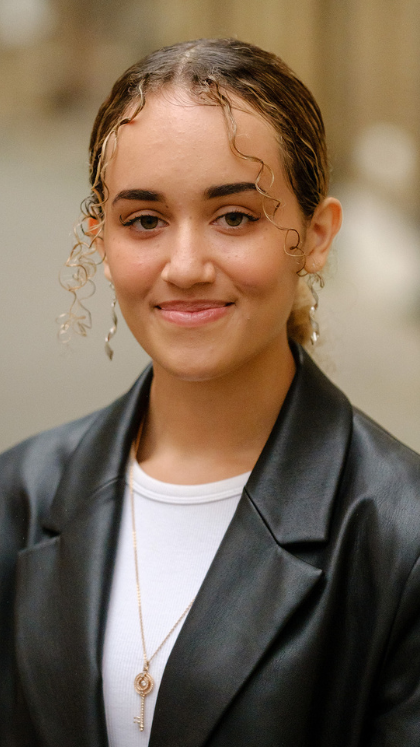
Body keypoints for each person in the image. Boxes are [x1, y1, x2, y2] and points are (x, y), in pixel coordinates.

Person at [1, 38, 420, 747]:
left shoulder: (400, 537)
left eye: (235, 217)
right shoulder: (20, 494)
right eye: (145, 220)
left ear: (317, 235)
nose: (186, 265)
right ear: (101, 240)